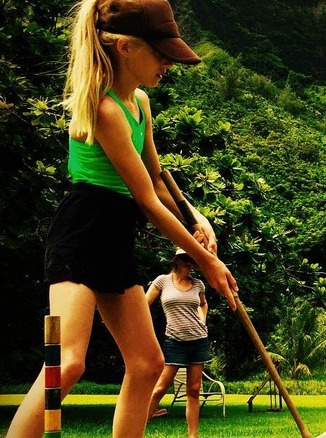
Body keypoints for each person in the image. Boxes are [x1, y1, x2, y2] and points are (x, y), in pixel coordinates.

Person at [7, 1, 238, 437]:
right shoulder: (105, 108)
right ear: (127, 47)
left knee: (148, 363)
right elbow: (147, 200)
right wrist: (207, 262)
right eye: (162, 53)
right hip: (81, 231)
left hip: (114, 237)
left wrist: (197, 216)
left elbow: (156, 176)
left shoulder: (140, 103)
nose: (168, 63)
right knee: (69, 362)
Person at [146, 248, 210, 437]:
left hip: (198, 340)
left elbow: (203, 304)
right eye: (185, 259)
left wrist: (203, 319)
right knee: (159, 389)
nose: (189, 263)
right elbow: (143, 304)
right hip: (174, 341)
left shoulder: (198, 284)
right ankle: (138, 427)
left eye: (192, 260)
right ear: (177, 260)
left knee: (194, 389)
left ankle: (193, 435)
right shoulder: (162, 281)